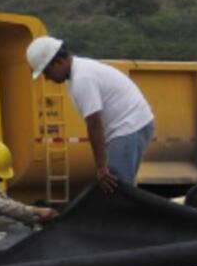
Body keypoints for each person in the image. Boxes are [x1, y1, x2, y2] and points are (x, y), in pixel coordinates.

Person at [27, 36, 155, 193]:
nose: (47, 78)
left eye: (46, 72)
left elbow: (94, 123)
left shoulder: (82, 78)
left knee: (115, 188)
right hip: (130, 126)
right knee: (119, 188)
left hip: (129, 127)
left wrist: (101, 167)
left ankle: (129, 217)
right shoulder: (78, 73)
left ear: (59, 62)